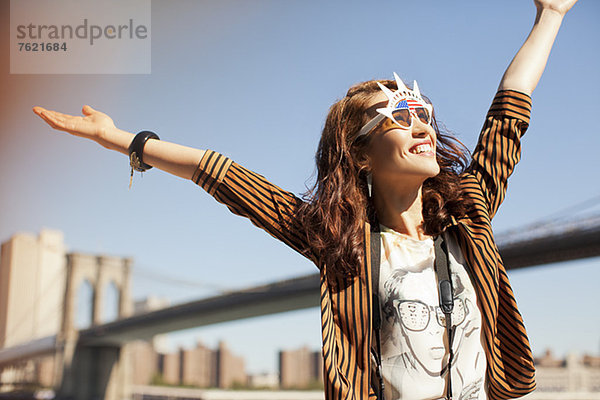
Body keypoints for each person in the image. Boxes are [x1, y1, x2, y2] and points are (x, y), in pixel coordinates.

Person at [32, 0, 578, 398]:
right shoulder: (340, 241)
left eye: (423, 117)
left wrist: (550, 15)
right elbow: (224, 176)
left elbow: (509, 113)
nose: (422, 129)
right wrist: (122, 139)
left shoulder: (468, 213)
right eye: (397, 119)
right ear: (361, 155)